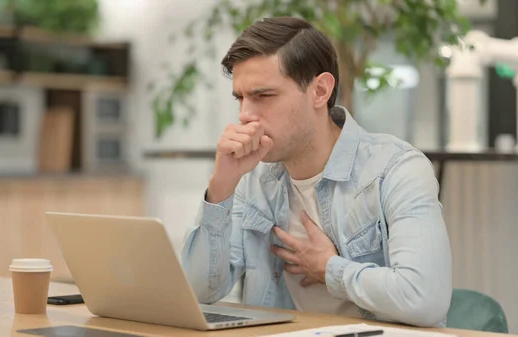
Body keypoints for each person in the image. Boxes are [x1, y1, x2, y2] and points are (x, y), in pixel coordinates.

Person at [180, 16, 452, 327]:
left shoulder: (396, 169)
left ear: (320, 91)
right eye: (240, 98)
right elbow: (198, 292)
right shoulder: (253, 180)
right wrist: (222, 187)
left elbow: (424, 300)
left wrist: (329, 268)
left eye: (263, 96)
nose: (245, 115)